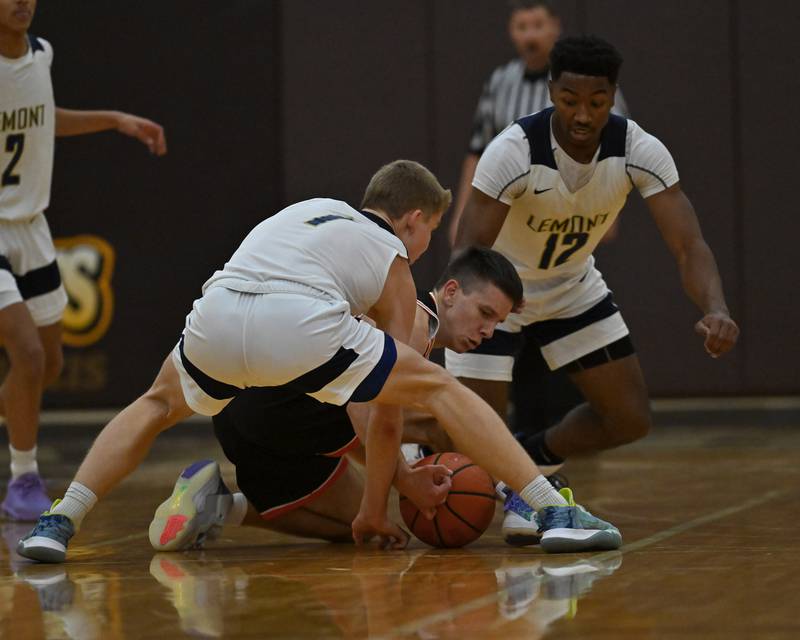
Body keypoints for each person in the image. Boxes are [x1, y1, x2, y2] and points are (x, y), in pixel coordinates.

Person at [17, 159, 621, 563]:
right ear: (413, 220)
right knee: (439, 391)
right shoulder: (394, 258)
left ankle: (58, 520)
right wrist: (383, 498)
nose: (426, 243)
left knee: (154, 405)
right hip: (298, 322)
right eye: (430, 230)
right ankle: (551, 507)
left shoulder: (307, 210)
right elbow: (383, 410)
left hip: (223, 309)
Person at [448, 35, 739, 545]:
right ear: (552, 94)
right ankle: (476, 470)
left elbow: (689, 245)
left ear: (612, 96)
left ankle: (531, 457)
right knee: (470, 432)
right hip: (499, 293)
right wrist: (469, 315)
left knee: (628, 418)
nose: (582, 114)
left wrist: (715, 307)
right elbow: (470, 249)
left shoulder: (639, 149)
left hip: (571, 287)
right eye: (569, 100)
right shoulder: (513, 151)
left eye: (597, 102)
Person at [147, 246, 523, 550]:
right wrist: (402, 482)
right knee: (443, 419)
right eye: (485, 313)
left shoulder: (405, 323)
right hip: (276, 403)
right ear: (452, 292)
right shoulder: (412, 323)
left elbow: (355, 428)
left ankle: (216, 504)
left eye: (497, 323)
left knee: (354, 529)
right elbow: (366, 418)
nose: (488, 331)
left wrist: (387, 492)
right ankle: (520, 495)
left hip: (242, 414)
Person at [0, 0, 167, 521]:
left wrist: (115, 120)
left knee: (48, 364)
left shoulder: (41, 56)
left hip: (32, 227)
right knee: (27, 357)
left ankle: (18, 439)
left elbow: (44, 121)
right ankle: (22, 477)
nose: (22, 1)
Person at [448, 0, 629, 445]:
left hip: (562, 220)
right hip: (505, 222)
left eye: (538, 24)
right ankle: (509, 446)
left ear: (554, 29)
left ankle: (540, 446)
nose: (530, 33)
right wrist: (462, 212)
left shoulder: (590, 85)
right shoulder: (500, 81)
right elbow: (477, 147)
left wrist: (609, 212)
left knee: (555, 340)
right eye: (522, 25)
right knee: (503, 329)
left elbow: (618, 153)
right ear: (512, 30)